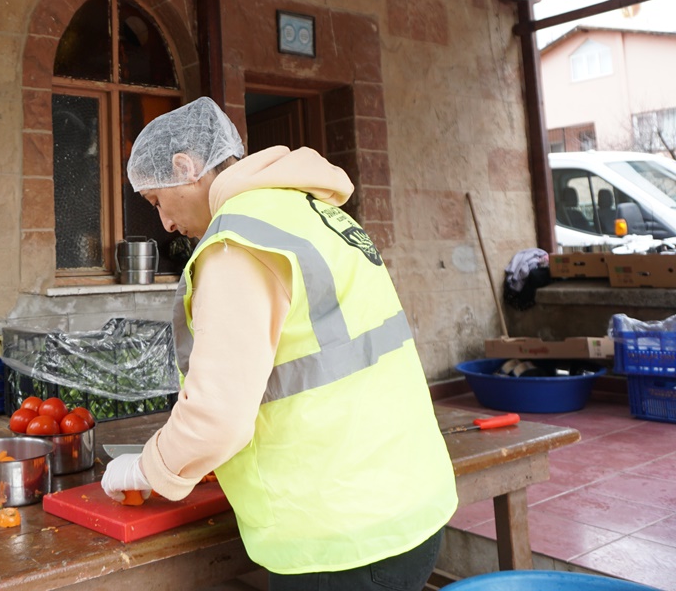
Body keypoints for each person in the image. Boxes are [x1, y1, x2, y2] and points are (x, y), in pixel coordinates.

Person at [101, 98, 458, 590]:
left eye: (158, 201)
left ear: (185, 167)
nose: (164, 224)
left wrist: (147, 468)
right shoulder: (312, 211)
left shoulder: (238, 243)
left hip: (339, 539)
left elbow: (217, 419)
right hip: (408, 505)